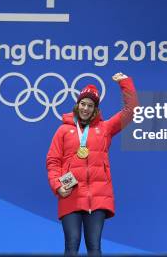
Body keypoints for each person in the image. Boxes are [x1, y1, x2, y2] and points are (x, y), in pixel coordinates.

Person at [46, 72, 138, 256]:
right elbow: (53, 161)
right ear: (77, 105)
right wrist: (57, 185)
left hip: (97, 198)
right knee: (71, 246)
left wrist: (125, 83)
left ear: (95, 109)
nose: (85, 109)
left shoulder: (105, 129)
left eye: (90, 105)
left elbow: (132, 110)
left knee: (94, 247)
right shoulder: (63, 130)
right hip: (70, 194)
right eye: (83, 104)